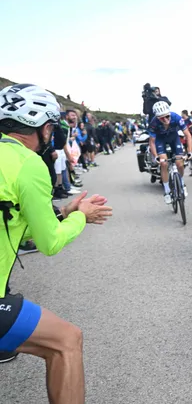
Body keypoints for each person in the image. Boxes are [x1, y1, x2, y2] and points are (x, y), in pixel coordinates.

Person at [0, 83, 112, 403]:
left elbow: (15, 227)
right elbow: (48, 243)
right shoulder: (30, 164)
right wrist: (82, 217)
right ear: (43, 127)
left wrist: (63, 211)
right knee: (66, 340)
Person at [148, 101, 192, 204]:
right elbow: (152, 142)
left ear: (170, 113)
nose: (165, 119)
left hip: (174, 138)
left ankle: (181, 184)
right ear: (157, 117)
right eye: (161, 118)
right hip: (161, 140)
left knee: (179, 163)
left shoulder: (176, 117)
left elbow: (188, 135)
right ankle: (167, 191)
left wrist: (189, 151)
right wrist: (156, 157)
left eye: (167, 116)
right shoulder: (154, 123)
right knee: (164, 163)